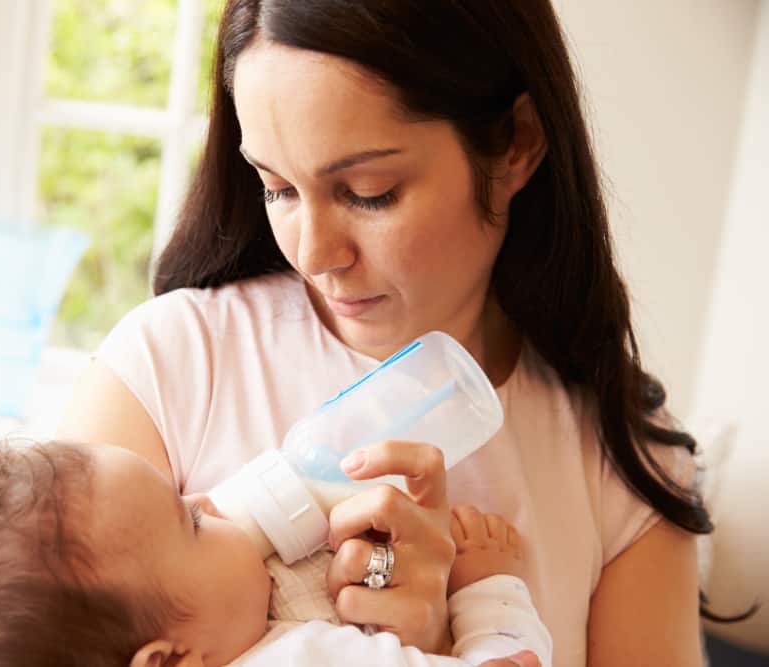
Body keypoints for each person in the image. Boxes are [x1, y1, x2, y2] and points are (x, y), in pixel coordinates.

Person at [60, 1, 710, 665]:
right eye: (277, 187)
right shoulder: (166, 364)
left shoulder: (622, 469)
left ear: (517, 142)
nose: (314, 255)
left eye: (369, 192)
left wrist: (431, 641)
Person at [0, 441, 549, 666]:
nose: (208, 500)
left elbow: (273, 499)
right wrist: (488, 591)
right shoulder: (298, 659)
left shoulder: (199, 612)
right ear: (168, 660)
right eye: (191, 521)